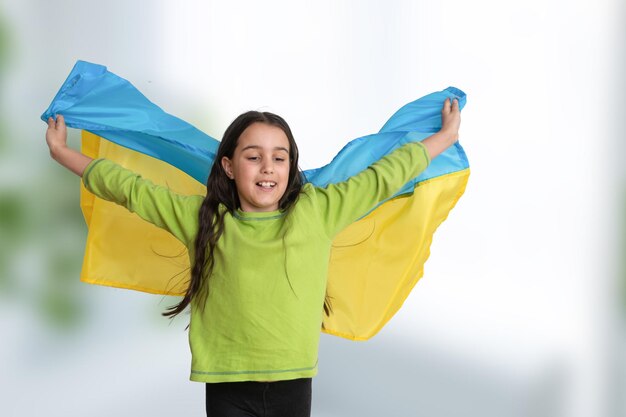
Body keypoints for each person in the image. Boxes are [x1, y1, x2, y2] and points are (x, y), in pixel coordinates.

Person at [45, 97, 461, 417]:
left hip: (292, 383)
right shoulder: (201, 218)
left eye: (279, 157)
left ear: (291, 167)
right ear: (228, 166)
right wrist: (64, 153)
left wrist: (442, 140)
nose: (267, 166)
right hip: (227, 385)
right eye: (253, 156)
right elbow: (129, 188)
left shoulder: (317, 211)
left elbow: (383, 176)